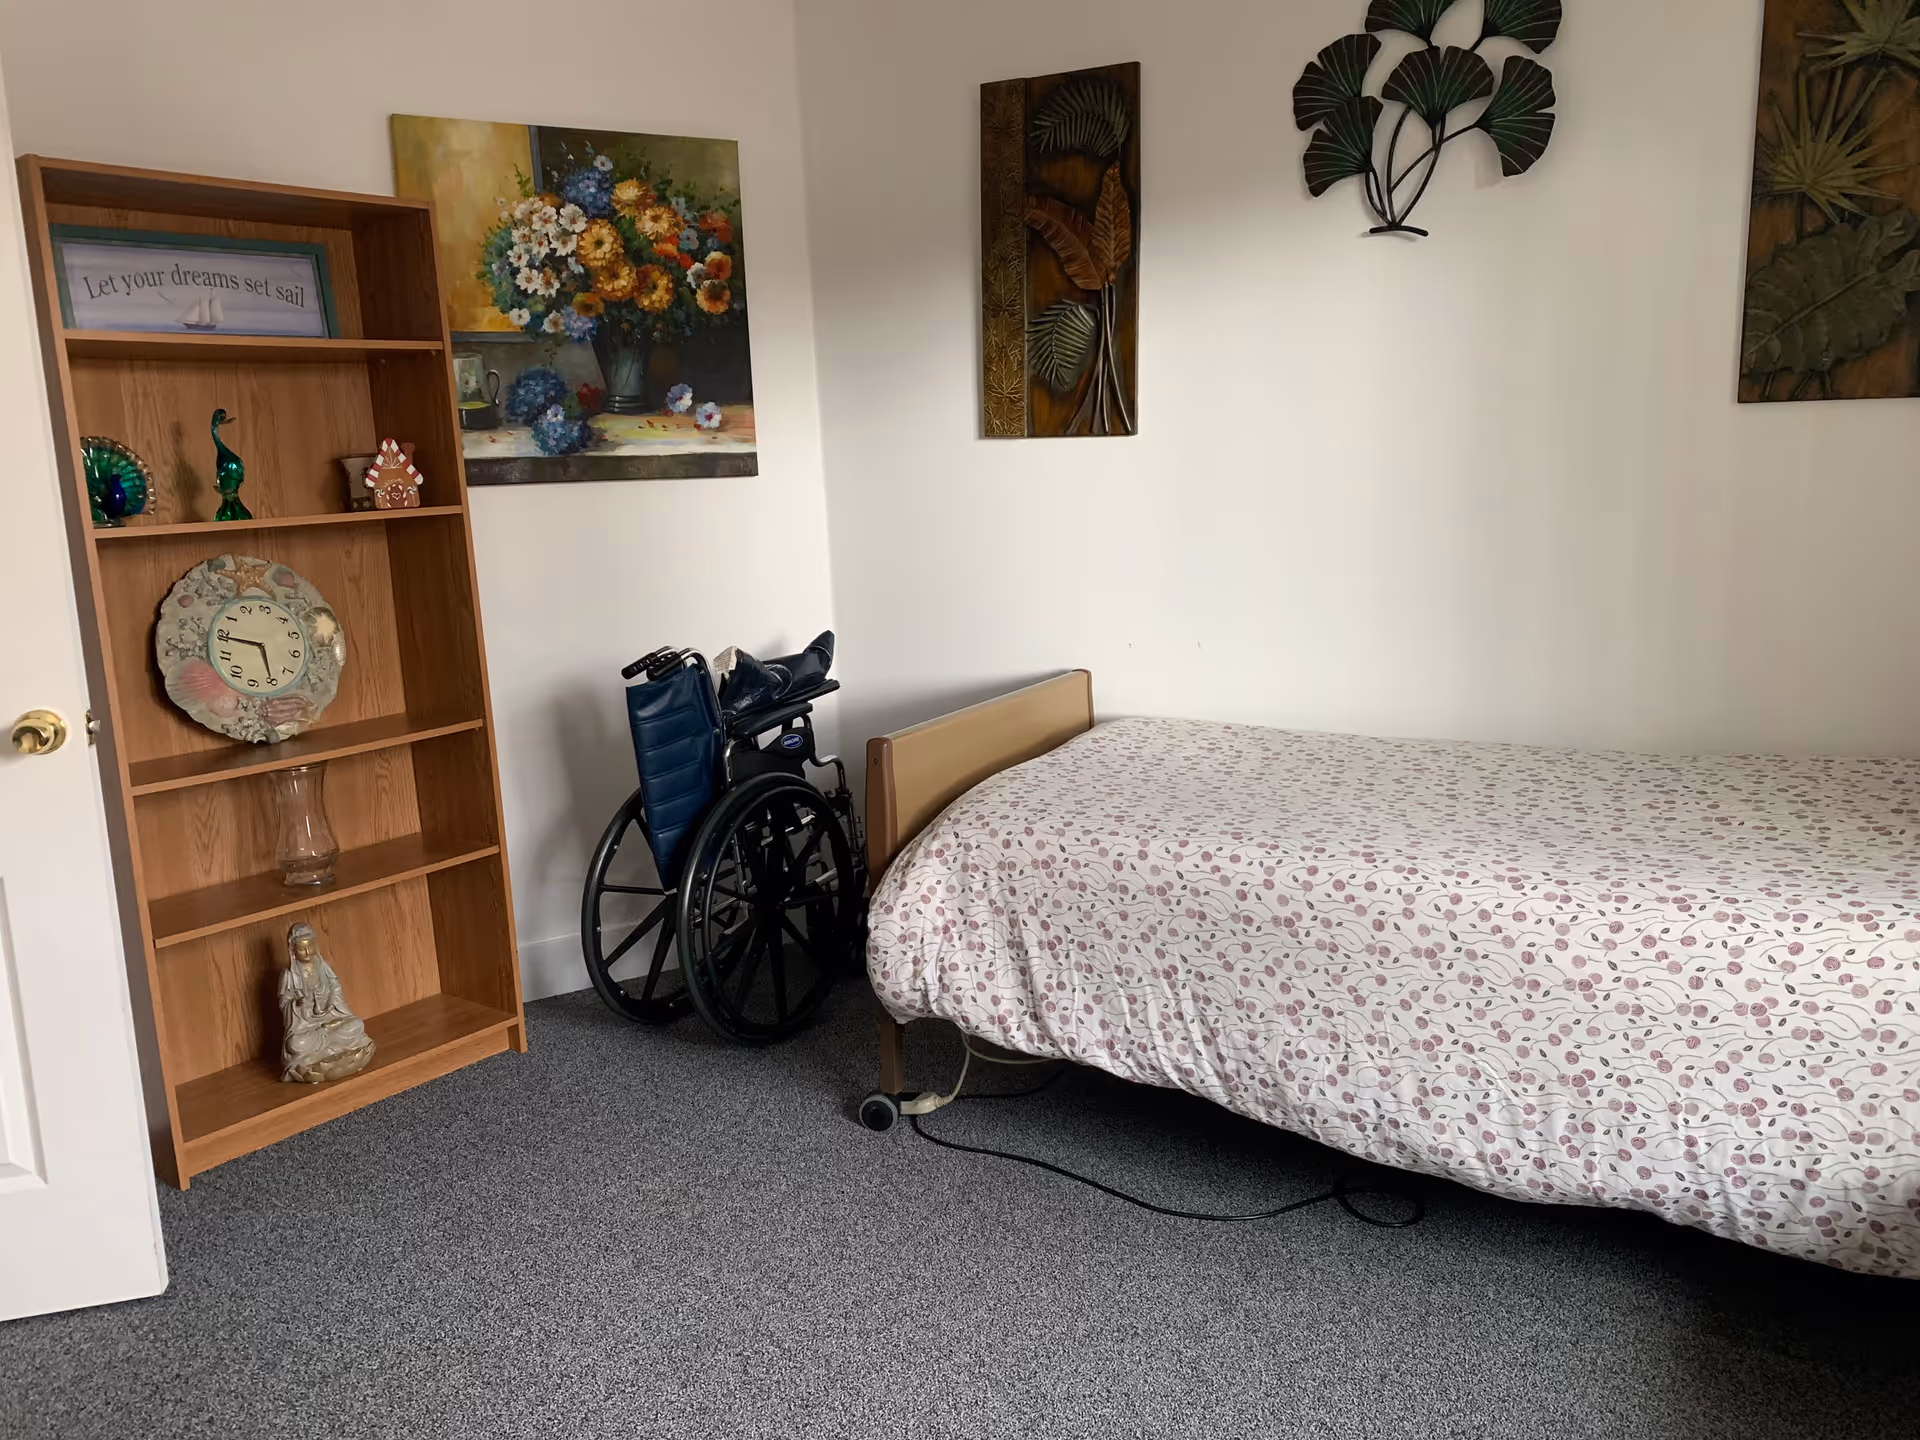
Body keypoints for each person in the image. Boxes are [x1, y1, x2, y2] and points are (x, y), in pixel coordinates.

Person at [279, 922, 375, 1083]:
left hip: (331, 1018)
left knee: (357, 1024)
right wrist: (297, 1004)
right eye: (302, 949)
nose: (308, 952)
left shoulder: (322, 967)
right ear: (293, 951)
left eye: (310, 947)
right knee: (295, 1044)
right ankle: (327, 1050)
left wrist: (330, 1003)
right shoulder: (289, 975)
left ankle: (330, 1047)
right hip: (308, 1026)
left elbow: (335, 987)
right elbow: (284, 1002)